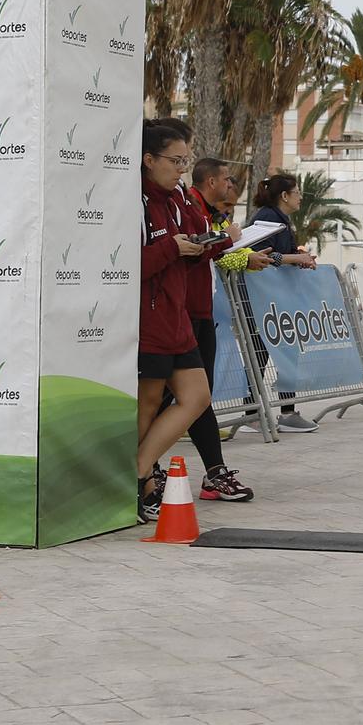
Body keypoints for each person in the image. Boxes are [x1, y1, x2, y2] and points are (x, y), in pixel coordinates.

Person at [138, 122, 212, 523]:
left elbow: (195, 238)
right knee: (146, 405)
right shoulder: (134, 201)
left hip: (176, 317)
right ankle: (142, 482)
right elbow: (126, 267)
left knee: (197, 395)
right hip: (148, 321)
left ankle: (138, 469)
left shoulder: (177, 198)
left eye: (186, 160)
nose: (181, 168)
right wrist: (172, 247)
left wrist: (202, 245)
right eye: (175, 160)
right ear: (149, 160)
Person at [180, 153, 261, 502]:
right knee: (184, 398)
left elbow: (217, 254)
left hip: (200, 313)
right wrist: (227, 238)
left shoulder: (209, 213)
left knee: (198, 398)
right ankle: (147, 471)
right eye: (227, 179)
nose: (232, 185)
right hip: (181, 316)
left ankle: (214, 474)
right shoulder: (186, 205)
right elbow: (194, 247)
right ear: (211, 181)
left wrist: (264, 257)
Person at [243, 174, 322, 434]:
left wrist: (297, 256)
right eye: (297, 192)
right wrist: (295, 258)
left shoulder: (278, 218)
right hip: (264, 299)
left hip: (277, 300)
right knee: (260, 354)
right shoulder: (267, 217)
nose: (301, 197)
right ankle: (252, 413)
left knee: (283, 352)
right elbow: (266, 256)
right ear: (284, 196)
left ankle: (285, 411)